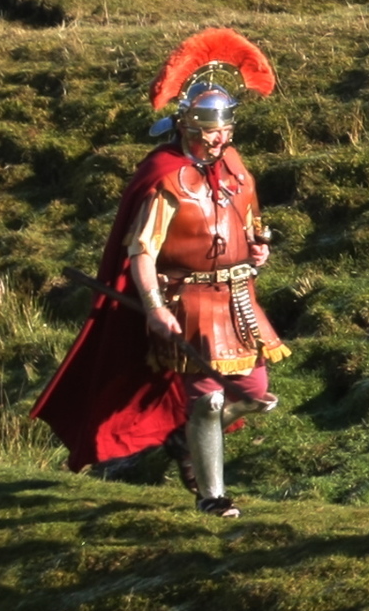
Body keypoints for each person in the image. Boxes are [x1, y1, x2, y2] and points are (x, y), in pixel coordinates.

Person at [34, 28, 287, 514]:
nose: (221, 137)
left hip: (238, 300)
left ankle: (184, 440)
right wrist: (153, 308)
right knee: (208, 400)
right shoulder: (165, 178)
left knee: (256, 393)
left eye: (226, 127)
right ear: (188, 126)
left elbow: (251, 228)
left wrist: (258, 255)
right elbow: (141, 253)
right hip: (186, 302)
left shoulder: (235, 168)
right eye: (211, 128)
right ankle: (213, 497)